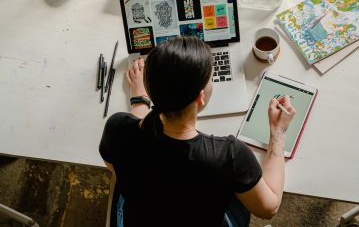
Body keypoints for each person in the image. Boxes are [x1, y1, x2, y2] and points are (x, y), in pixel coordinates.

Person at [99, 36, 296, 227]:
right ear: (200, 98)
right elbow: (268, 209)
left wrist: (139, 99)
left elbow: (114, 164)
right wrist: (278, 131)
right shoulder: (228, 155)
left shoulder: (117, 128)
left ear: (151, 92)